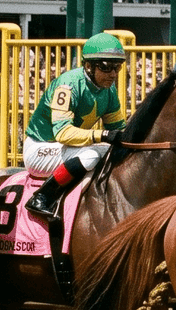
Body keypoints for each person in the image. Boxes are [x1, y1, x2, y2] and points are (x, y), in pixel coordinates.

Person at [22, 33, 128, 220]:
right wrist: (102, 135)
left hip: (67, 148)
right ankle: (41, 197)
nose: (113, 74)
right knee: (91, 155)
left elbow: (119, 129)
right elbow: (62, 133)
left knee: (116, 152)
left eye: (117, 67)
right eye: (106, 67)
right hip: (40, 148)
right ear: (88, 66)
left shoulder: (109, 89)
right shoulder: (68, 85)